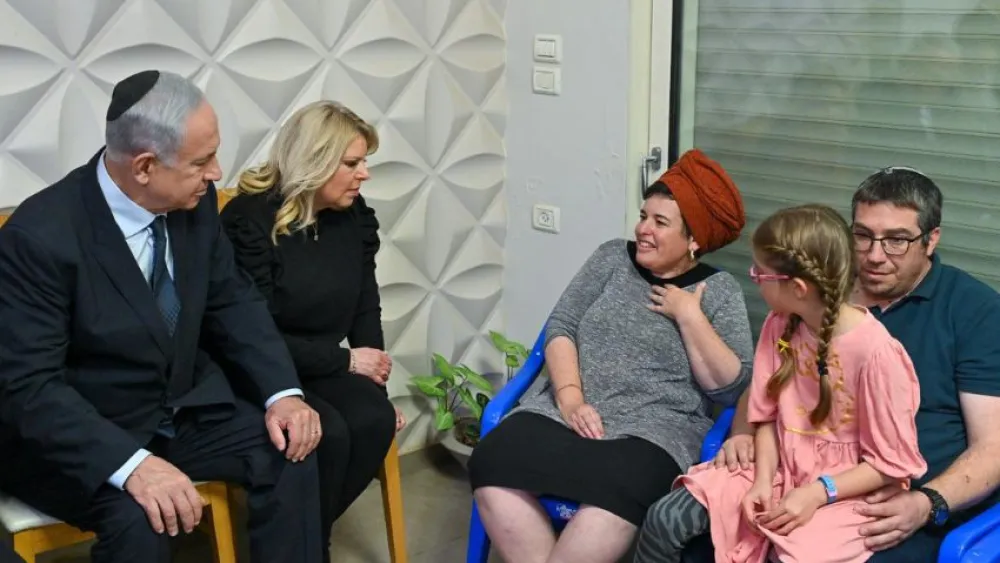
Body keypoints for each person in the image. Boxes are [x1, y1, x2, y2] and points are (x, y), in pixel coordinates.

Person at [0, 70, 324, 563]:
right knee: (139, 520)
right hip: (84, 432)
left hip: (180, 411)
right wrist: (131, 465)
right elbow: (29, 388)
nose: (218, 172)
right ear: (145, 166)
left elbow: (233, 302)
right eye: (202, 160)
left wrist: (283, 393)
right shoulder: (39, 238)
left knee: (291, 450)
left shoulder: (195, 203)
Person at [467, 149, 755, 563]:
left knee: (618, 492)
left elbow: (730, 388)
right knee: (493, 462)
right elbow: (561, 325)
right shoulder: (611, 258)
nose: (643, 229)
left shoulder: (719, 291)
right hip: (565, 410)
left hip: (654, 431)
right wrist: (570, 399)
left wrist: (690, 317)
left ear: (693, 241)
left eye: (660, 222)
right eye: (643, 216)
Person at [704, 168, 1000, 562]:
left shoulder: (974, 310)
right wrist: (742, 432)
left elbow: (993, 447)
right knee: (701, 528)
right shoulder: (818, 293)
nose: (875, 256)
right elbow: (773, 383)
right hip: (798, 474)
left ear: (932, 240)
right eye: (862, 235)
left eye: (897, 240)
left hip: (893, 502)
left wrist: (929, 503)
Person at [635, 204, 927, 563]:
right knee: (665, 519)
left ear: (799, 288)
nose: (754, 277)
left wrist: (819, 492)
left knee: (793, 554)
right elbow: (772, 418)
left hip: (847, 487)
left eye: (761, 274)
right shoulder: (780, 325)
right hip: (778, 465)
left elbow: (890, 465)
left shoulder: (877, 354)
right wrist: (762, 481)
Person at [220, 100, 403, 559]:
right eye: (352, 163)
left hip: (320, 362)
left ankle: (302, 540)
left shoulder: (354, 217)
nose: (364, 175)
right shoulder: (248, 221)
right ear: (315, 162)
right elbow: (250, 334)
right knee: (330, 433)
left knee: (375, 418)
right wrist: (345, 361)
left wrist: (372, 380)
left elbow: (366, 304)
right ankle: (305, 546)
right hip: (261, 370)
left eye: (365, 162)